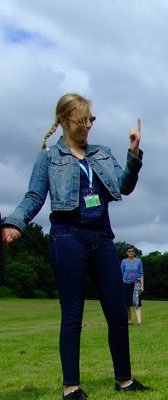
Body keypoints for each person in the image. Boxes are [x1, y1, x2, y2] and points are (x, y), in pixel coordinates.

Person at [2, 93, 150, 399]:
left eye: (91, 120)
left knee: (116, 311)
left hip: (103, 238)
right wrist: (14, 223)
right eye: (82, 120)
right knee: (72, 314)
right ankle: (71, 387)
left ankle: (124, 379)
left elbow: (123, 186)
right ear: (65, 120)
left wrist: (133, 154)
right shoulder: (48, 157)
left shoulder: (102, 153)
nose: (87, 126)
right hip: (67, 238)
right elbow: (33, 197)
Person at [120, 245, 144, 326]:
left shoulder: (139, 261)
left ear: (135, 252)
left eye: (132, 251)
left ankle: (139, 322)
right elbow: (121, 274)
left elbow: (141, 274)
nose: (131, 252)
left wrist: (142, 285)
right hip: (126, 284)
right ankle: (129, 320)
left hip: (136, 284)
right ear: (126, 253)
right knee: (127, 304)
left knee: (137, 303)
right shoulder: (124, 262)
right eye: (129, 251)